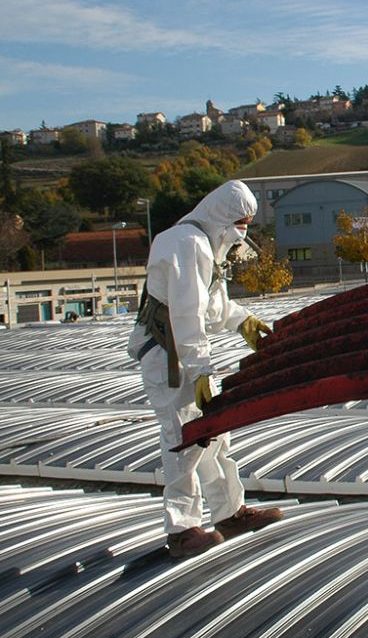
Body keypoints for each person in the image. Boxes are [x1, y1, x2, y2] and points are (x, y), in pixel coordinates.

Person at [128, 180, 282, 559]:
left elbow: (212, 309)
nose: (242, 232)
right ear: (223, 217)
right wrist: (201, 371)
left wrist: (242, 320)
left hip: (183, 352)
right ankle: (182, 530)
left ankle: (230, 513)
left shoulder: (204, 244)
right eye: (240, 224)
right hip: (167, 356)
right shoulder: (186, 243)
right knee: (182, 438)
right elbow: (186, 316)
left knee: (213, 435)